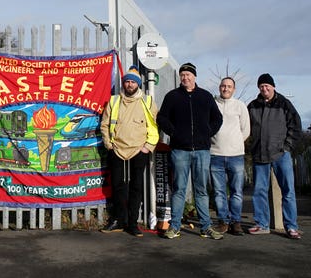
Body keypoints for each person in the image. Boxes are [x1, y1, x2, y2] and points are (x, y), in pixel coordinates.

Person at [156, 62, 223, 240]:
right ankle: (175, 226)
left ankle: (206, 227)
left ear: (194, 76)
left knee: (201, 190)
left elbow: (217, 118)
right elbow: (161, 117)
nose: (185, 77)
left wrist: (208, 132)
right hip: (180, 150)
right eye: (182, 75)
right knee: (179, 189)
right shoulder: (172, 96)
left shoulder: (206, 97)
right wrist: (173, 132)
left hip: (202, 150)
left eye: (188, 75)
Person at [100, 66, 159, 237]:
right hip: (117, 149)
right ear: (123, 84)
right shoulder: (114, 101)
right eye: (127, 82)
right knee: (117, 186)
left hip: (138, 150)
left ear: (138, 85)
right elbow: (104, 124)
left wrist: (148, 146)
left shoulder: (147, 101)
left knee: (136, 187)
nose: (130, 85)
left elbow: (154, 126)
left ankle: (133, 223)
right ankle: (119, 219)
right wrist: (108, 144)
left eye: (133, 82)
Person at [247, 73, 302, 239]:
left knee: (288, 191)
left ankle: (291, 227)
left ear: (273, 87)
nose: (264, 89)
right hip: (259, 155)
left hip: (280, 155)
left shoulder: (284, 104)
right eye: (261, 86)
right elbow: (243, 127)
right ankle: (262, 224)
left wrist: (287, 147)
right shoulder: (252, 106)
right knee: (259, 191)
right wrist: (251, 147)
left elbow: (296, 125)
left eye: (267, 86)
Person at [210, 77, 250, 236]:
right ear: (219, 88)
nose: (226, 89)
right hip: (215, 154)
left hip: (236, 155)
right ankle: (223, 222)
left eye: (229, 86)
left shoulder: (240, 106)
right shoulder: (212, 105)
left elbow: (246, 130)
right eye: (223, 86)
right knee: (219, 192)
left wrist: (235, 143)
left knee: (237, 191)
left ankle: (236, 222)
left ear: (234, 89)